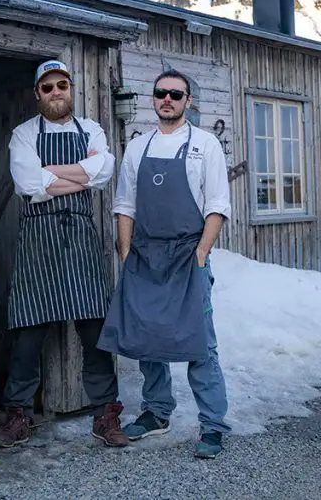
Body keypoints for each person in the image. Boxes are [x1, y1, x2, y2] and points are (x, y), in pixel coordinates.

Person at [0, 59, 130, 449]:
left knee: (95, 330)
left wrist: (53, 172)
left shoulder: (93, 129)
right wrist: (78, 175)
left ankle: (105, 413)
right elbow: (27, 182)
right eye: (48, 87)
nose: (56, 93)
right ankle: (18, 414)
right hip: (39, 239)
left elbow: (102, 173)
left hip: (82, 239)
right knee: (28, 333)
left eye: (62, 86)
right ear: (37, 93)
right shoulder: (23, 134)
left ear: (71, 89)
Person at [97, 68, 232, 459]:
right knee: (146, 339)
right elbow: (124, 205)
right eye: (161, 93)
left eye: (176, 93)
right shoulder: (138, 148)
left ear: (188, 101)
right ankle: (156, 412)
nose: (167, 99)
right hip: (144, 256)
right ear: (153, 99)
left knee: (200, 344)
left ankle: (213, 425)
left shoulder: (205, 145)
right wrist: (126, 253)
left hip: (188, 256)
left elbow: (217, 206)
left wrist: (201, 254)